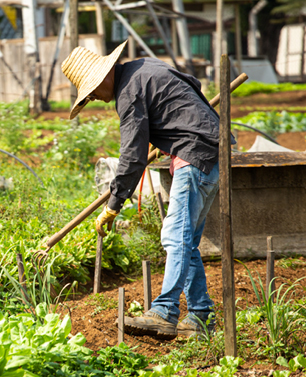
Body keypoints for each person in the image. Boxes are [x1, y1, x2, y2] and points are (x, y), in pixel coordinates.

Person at [60, 39, 228, 340]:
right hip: (211, 154)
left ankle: (164, 311)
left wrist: (113, 204)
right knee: (185, 241)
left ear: (102, 77)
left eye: (92, 92)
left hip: (194, 155)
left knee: (175, 236)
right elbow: (192, 84)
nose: (95, 99)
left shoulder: (127, 92)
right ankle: (201, 317)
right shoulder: (145, 66)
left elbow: (132, 156)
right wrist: (167, 130)